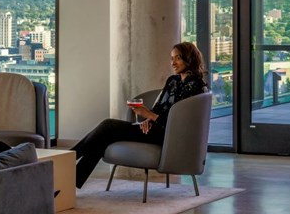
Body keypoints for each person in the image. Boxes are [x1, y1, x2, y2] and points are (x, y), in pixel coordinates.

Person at [71, 42, 208, 188]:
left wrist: (148, 114)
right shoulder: (172, 81)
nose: (173, 63)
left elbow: (179, 122)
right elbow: (159, 109)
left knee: (108, 126)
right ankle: (70, 181)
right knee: (103, 138)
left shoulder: (196, 86)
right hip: (155, 129)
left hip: (169, 136)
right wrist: (149, 119)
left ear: (189, 58)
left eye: (178, 58)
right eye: (172, 58)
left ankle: (67, 160)